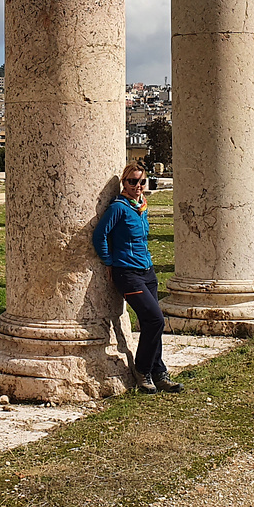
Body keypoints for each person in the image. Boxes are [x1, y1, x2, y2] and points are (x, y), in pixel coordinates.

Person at [91, 162, 182, 394]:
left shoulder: (142, 206)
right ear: (124, 182)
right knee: (155, 320)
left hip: (147, 272)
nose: (138, 186)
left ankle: (159, 371)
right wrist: (109, 261)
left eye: (142, 181)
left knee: (153, 322)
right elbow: (100, 235)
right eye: (133, 181)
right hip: (127, 273)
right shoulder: (118, 207)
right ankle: (142, 370)